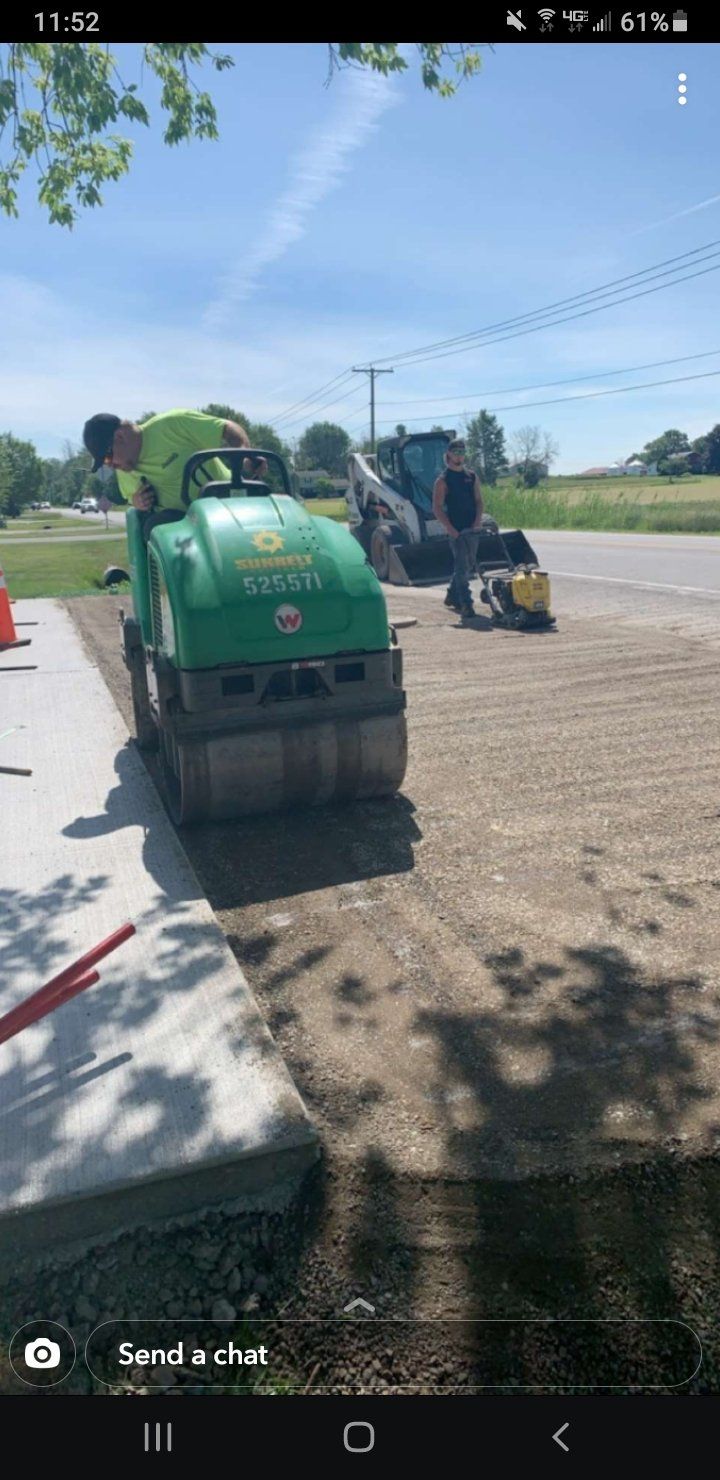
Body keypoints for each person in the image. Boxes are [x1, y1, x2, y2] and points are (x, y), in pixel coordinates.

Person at [82, 409, 267, 539]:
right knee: (155, 528)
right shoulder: (125, 469)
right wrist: (137, 501)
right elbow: (132, 498)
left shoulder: (173, 424)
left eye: (107, 458)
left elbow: (226, 427)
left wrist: (245, 455)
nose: (112, 466)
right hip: (185, 525)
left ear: (120, 437)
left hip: (228, 503)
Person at [432, 439, 484, 618]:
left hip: (472, 529)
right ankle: (466, 604)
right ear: (448, 455)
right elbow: (437, 508)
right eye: (456, 452)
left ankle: (451, 595)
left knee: (468, 565)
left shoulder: (472, 476)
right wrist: (450, 529)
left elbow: (479, 501)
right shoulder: (443, 480)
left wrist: (478, 521)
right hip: (457, 531)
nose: (459, 456)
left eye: (462, 452)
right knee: (462, 567)